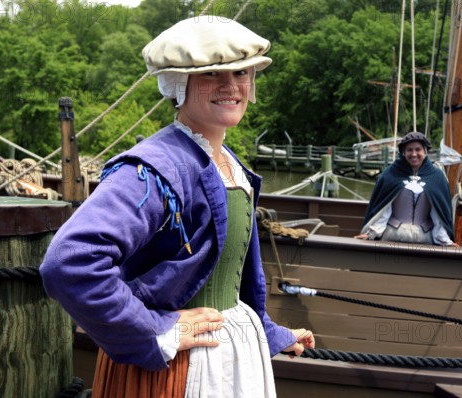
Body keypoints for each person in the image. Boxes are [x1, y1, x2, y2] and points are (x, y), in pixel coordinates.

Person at [40, 16, 314, 397]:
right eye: (211, 75)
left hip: (230, 359)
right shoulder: (155, 168)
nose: (230, 86)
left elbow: (232, 280)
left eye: (240, 73)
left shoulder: (230, 166)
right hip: (176, 369)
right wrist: (154, 329)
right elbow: (70, 262)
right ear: (178, 83)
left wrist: (269, 332)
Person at [355, 132, 455, 246]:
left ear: (425, 151)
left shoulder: (437, 177)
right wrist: (371, 233)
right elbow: (384, 210)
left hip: (425, 239)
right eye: (409, 150)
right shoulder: (390, 174)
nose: (414, 154)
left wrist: (444, 240)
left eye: (418, 149)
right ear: (403, 152)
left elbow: (438, 215)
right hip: (392, 237)